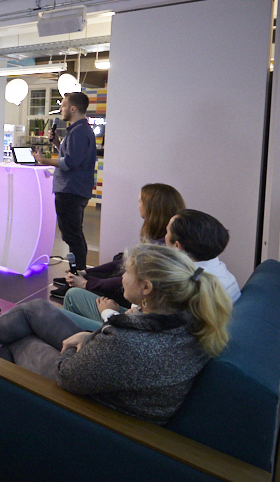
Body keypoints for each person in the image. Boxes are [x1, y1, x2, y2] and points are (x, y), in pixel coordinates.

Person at [0, 244, 233, 424]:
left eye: (126, 272)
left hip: (98, 405)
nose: (122, 277)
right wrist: (92, 336)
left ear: (146, 288)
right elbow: (121, 347)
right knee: (35, 310)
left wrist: (80, 343)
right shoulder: (189, 320)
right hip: (109, 370)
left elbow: (67, 375)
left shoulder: (130, 344)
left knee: (19, 338)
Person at [64, 209, 240, 327]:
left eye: (167, 233)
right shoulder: (220, 275)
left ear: (177, 246)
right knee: (74, 295)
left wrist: (109, 314)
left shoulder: (182, 284)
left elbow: (146, 334)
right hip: (140, 323)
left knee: (54, 313)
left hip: (129, 333)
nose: (163, 238)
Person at [54, 182, 185, 300]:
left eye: (140, 202)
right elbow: (123, 263)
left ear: (152, 208)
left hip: (134, 294)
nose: (138, 206)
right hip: (134, 286)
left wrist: (86, 283)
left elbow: (123, 280)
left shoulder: (162, 246)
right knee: (107, 267)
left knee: (79, 290)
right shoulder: (163, 237)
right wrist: (86, 272)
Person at [32, 92, 97, 272]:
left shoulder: (79, 132)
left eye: (63, 106)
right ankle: (77, 274)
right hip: (74, 190)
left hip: (70, 190)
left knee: (72, 236)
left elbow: (69, 163)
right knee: (73, 234)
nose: (60, 109)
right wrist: (57, 143)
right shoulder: (79, 130)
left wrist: (43, 160)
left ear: (73, 108)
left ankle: (77, 276)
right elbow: (72, 156)